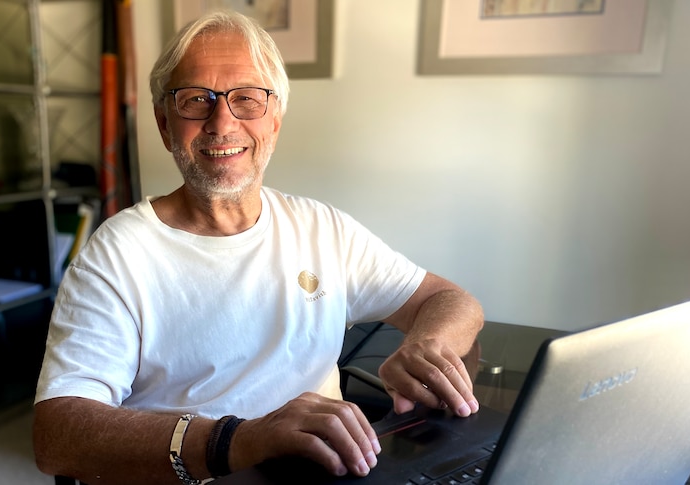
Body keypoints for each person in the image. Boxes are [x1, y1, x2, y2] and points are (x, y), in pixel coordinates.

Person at [32, 10, 483, 485]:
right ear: (165, 124)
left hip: (326, 473)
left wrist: (428, 344)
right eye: (195, 100)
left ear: (275, 120)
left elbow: (449, 300)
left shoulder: (320, 226)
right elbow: (58, 434)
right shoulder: (118, 254)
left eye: (246, 98)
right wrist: (238, 440)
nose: (222, 122)